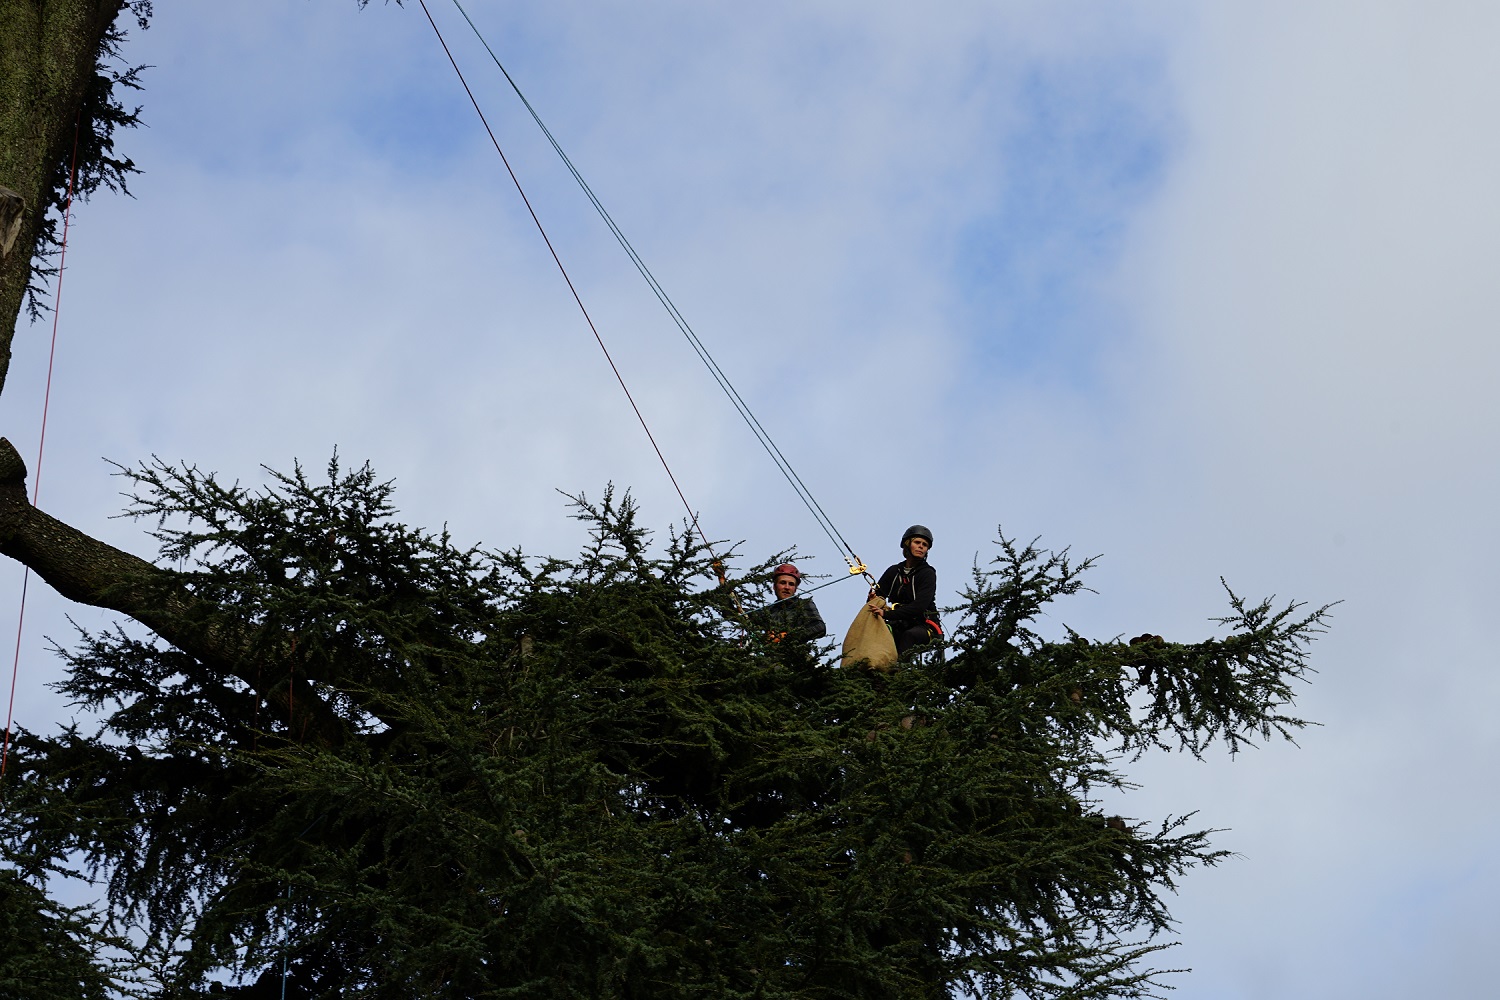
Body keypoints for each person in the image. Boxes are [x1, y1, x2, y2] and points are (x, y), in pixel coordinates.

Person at [871, 525, 941, 656]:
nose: (921, 547)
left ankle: (900, 668)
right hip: (897, 623)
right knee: (877, 634)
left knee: (909, 636)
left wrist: (886, 614)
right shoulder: (894, 571)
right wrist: (873, 599)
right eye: (917, 542)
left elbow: (918, 607)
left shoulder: (927, 573)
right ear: (907, 544)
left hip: (924, 626)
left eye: (925, 545)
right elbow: (878, 596)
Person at [749, 563, 827, 646]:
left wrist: (787, 636)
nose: (787, 587)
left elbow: (820, 627)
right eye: (783, 583)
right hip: (769, 653)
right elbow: (747, 614)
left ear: (795, 589)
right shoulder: (769, 611)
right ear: (774, 586)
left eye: (791, 584)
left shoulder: (803, 605)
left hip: (795, 653)